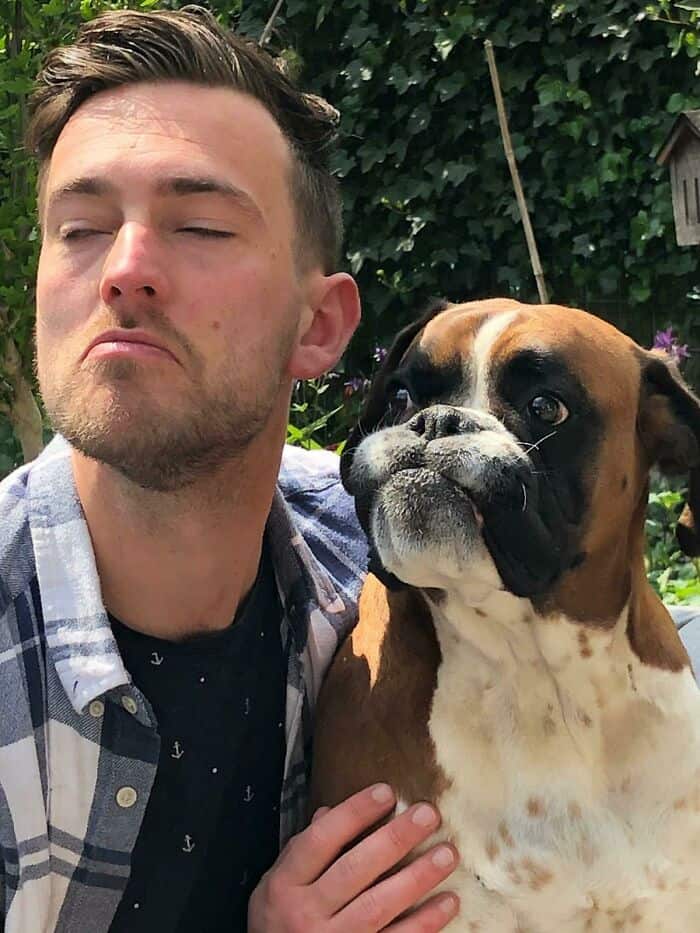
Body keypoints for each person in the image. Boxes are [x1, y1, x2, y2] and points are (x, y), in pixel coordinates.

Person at [0, 6, 460, 933]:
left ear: (321, 325)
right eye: (80, 227)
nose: (124, 270)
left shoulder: (371, 553)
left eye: (202, 227)